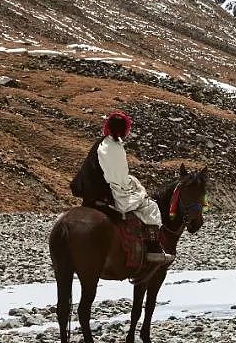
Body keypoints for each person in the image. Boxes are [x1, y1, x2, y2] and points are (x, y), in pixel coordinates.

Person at [71, 111, 173, 269]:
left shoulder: (102, 143)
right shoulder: (114, 148)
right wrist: (131, 186)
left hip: (90, 192)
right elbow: (117, 180)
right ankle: (153, 248)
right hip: (106, 193)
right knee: (150, 206)